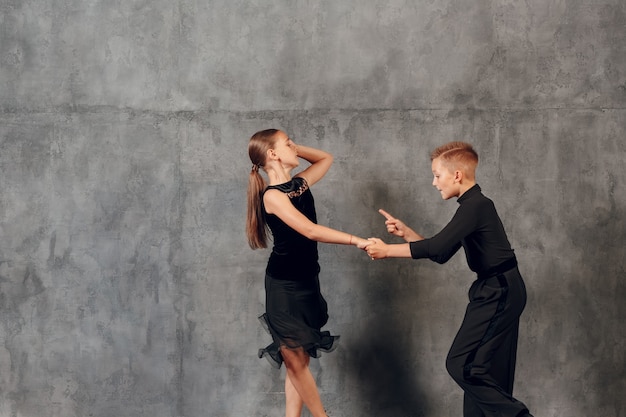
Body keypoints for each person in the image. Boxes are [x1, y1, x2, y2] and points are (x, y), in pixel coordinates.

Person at [365, 141, 534, 417]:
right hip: (495, 288)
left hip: (500, 289)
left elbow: (436, 248)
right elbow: (441, 252)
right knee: (480, 370)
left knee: (462, 365)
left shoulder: (476, 206)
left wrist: (387, 250)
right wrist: (407, 234)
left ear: (457, 175)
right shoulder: (471, 206)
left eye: (437, 175)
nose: (434, 183)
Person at [246, 129, 371, 417]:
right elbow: (310, 230)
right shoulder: (272, 196)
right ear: (273, 154)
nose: (295, 145)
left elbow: (326, 158)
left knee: (298, 359)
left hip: (307, 282)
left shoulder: (299, 184)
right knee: (294, 359)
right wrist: (357, 240)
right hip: (284, 288)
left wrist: (292, 148)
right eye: (287, 142)